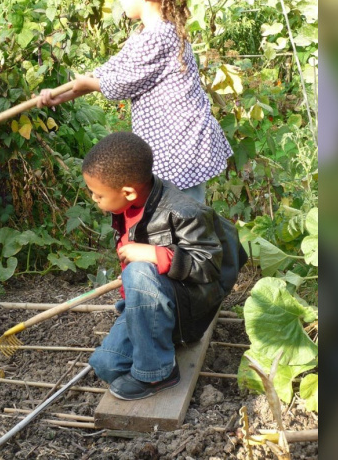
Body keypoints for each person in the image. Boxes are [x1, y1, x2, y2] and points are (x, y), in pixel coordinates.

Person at [37, 0, 232, 205]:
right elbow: (110, 70)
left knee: (183, 218)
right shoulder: (146, 34)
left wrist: (88, 84)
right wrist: (61, 95)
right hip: (171, 147)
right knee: (169, 216)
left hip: (181, 149)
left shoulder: (160, 36)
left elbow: (120, 84)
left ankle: (182, 248)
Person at [81, 132, 246, 400]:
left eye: (98, 195)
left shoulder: (183, 211)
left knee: (139, 269)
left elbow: (208, 267)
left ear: (128, 192)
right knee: (106, 366)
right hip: (150, 305)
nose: (93, 199)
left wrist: (154, 254)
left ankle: (157, 373)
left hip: (187, 311)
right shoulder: (123, 207)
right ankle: (150, 332)